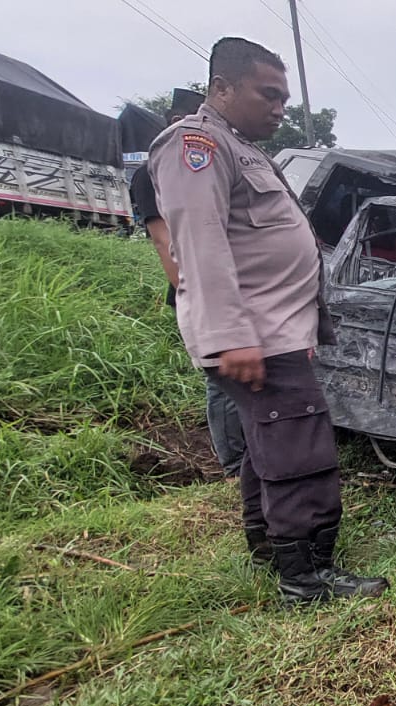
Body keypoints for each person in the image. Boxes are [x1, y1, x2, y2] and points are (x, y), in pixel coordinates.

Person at [149, 37, 387, 604]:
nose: (280, 108)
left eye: (285, 96)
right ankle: (307, 577)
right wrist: (232, 337)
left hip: (274, 330)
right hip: (255, 333)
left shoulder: (239, 147)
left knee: (269, 446)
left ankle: (268, 544)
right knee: (301, 450)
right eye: (269, 94)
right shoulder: (196, 145)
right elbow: (200, 245)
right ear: (222, 88)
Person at [129, 89, 253, 563]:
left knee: (232, 384)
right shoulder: (156, 170)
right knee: (220, 384)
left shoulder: (213, 159)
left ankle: (244, 458)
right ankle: (232, 464)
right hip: (198, 291)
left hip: (218, 290)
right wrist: (194, 294)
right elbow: (166, 240)